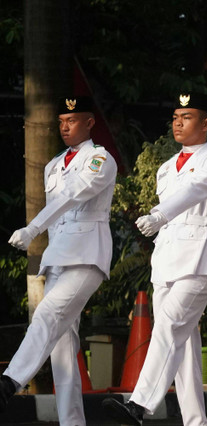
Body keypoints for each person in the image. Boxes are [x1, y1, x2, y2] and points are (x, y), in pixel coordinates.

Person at [102, 93, 207, 426]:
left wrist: (159, 214)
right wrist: (161, 222)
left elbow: (197, 190)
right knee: (184, 345)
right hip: (166, 259)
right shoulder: (164, 168)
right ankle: (196, 422)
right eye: (176, 116)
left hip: (200, 256)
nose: (178, 122)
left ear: (206, 123)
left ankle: (139, 405)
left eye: (187, 116)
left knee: (169, 326)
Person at [1, 96, 117, 425]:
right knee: (62, 349)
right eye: (62, 121)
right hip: (58, 257)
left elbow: (73, 196)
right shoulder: (53, 165)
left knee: (49, 314)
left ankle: (8, 382)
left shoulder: (100, 159)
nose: (65, 127)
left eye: (73, 120)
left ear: (90, 122)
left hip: (87, 255)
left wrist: (33, 227)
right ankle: (72, 422)